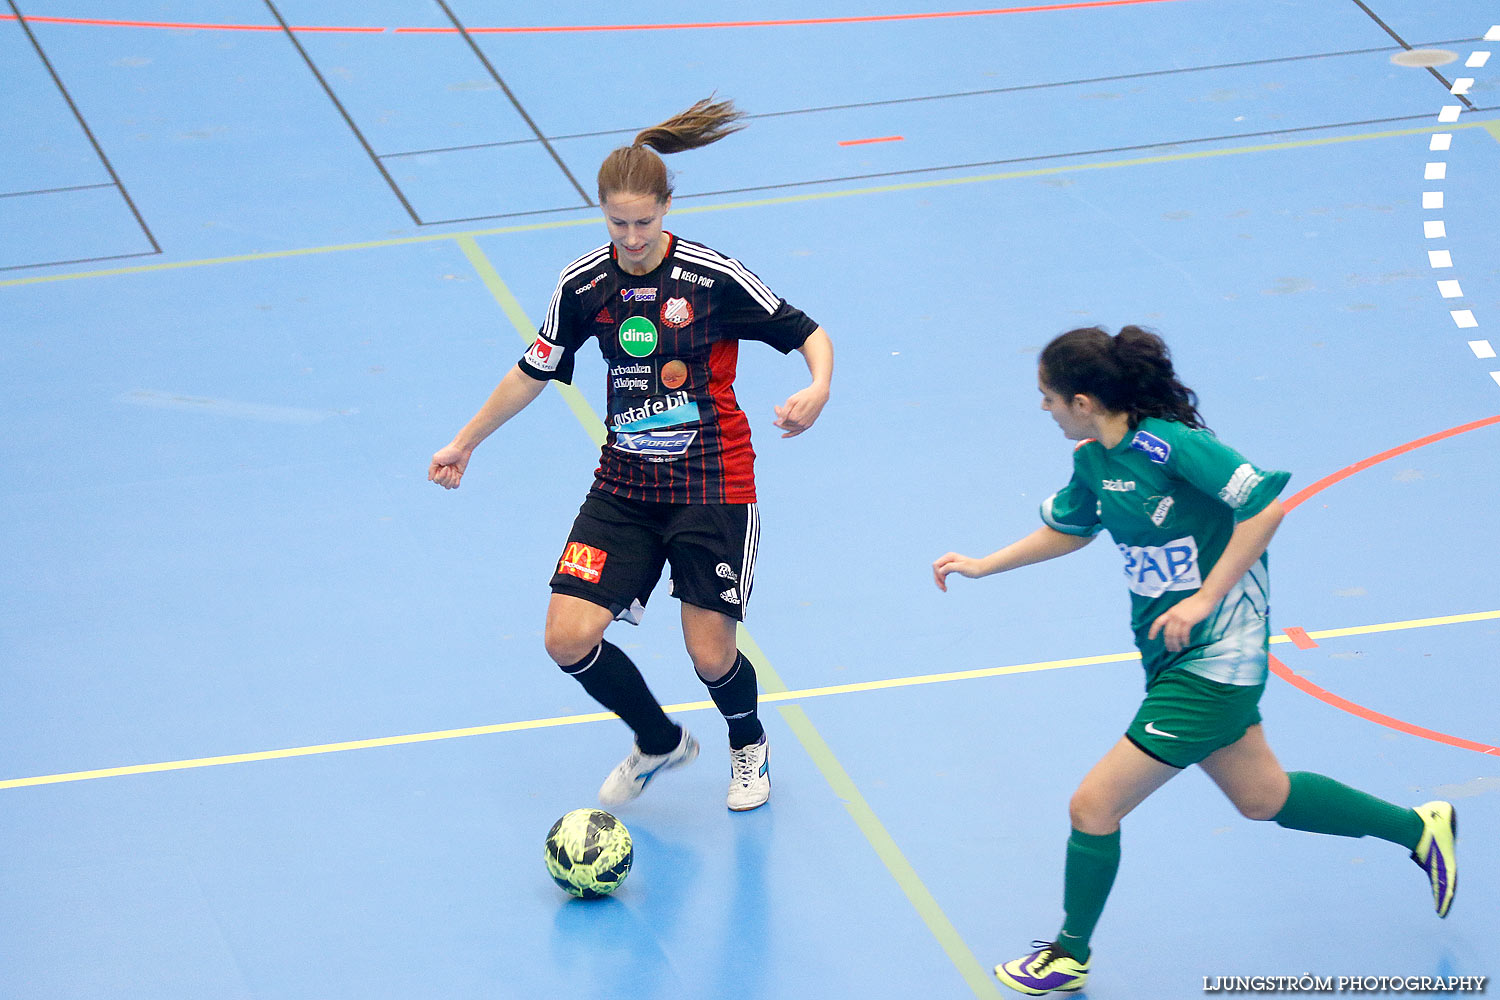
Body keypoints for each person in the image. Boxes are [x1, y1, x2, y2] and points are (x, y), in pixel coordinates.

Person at [932, 326, 1456, 995]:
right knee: (1264, 798)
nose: (1045, 409)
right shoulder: (1095, 458)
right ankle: (1420, 829)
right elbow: (1068, 529)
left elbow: (1265, 508)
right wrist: (983, 564)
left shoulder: (1175, 447)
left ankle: (1068, 955)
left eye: (1048, 397)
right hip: (1168, 654)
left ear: (1084, 400)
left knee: (1093, 806)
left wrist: (1207, 598)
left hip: (1217, 659)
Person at [429, 97, 833, 813]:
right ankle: (658, 740)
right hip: (623, 486)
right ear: (602, 214)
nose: (633, 236)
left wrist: (817, 387)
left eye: (644, 222)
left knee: (710, 654)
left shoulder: (711, 276)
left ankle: (748, 741)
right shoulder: (584, 284)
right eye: (618, 223)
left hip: (713, 482)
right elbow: (534, 368)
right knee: (566, 637)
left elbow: (806, 331)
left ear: (667, 208)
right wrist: (464, 442)